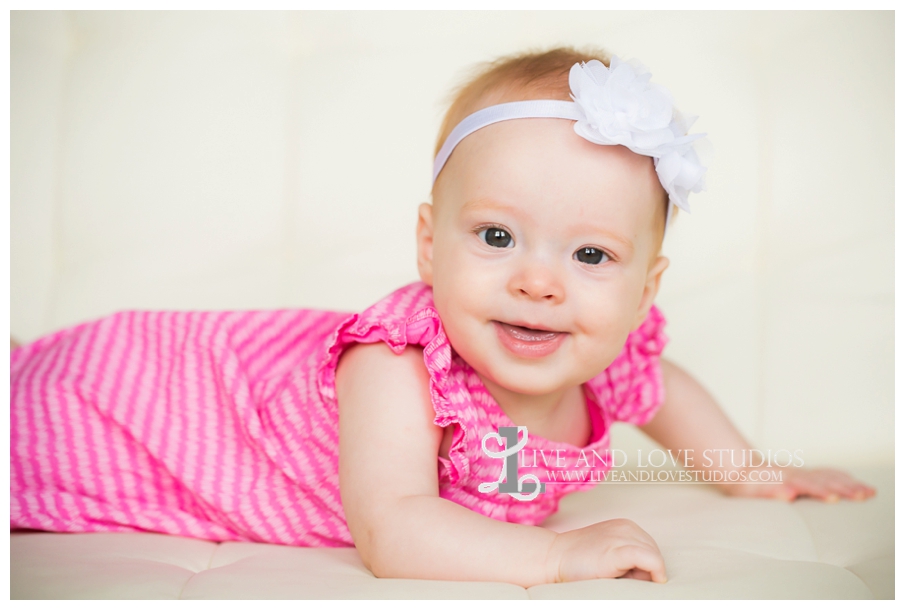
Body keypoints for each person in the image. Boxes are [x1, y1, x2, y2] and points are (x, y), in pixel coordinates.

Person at [10, 47, 875, 587]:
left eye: (590, 256)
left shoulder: (599, 356)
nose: (539, 283)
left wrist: (752, 473)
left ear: (645, 290)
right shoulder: (395, 364)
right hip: (144, 407)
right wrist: (552, 557)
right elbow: (394, 530)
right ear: (429, 246)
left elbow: (666, 391)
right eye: (496, 235)